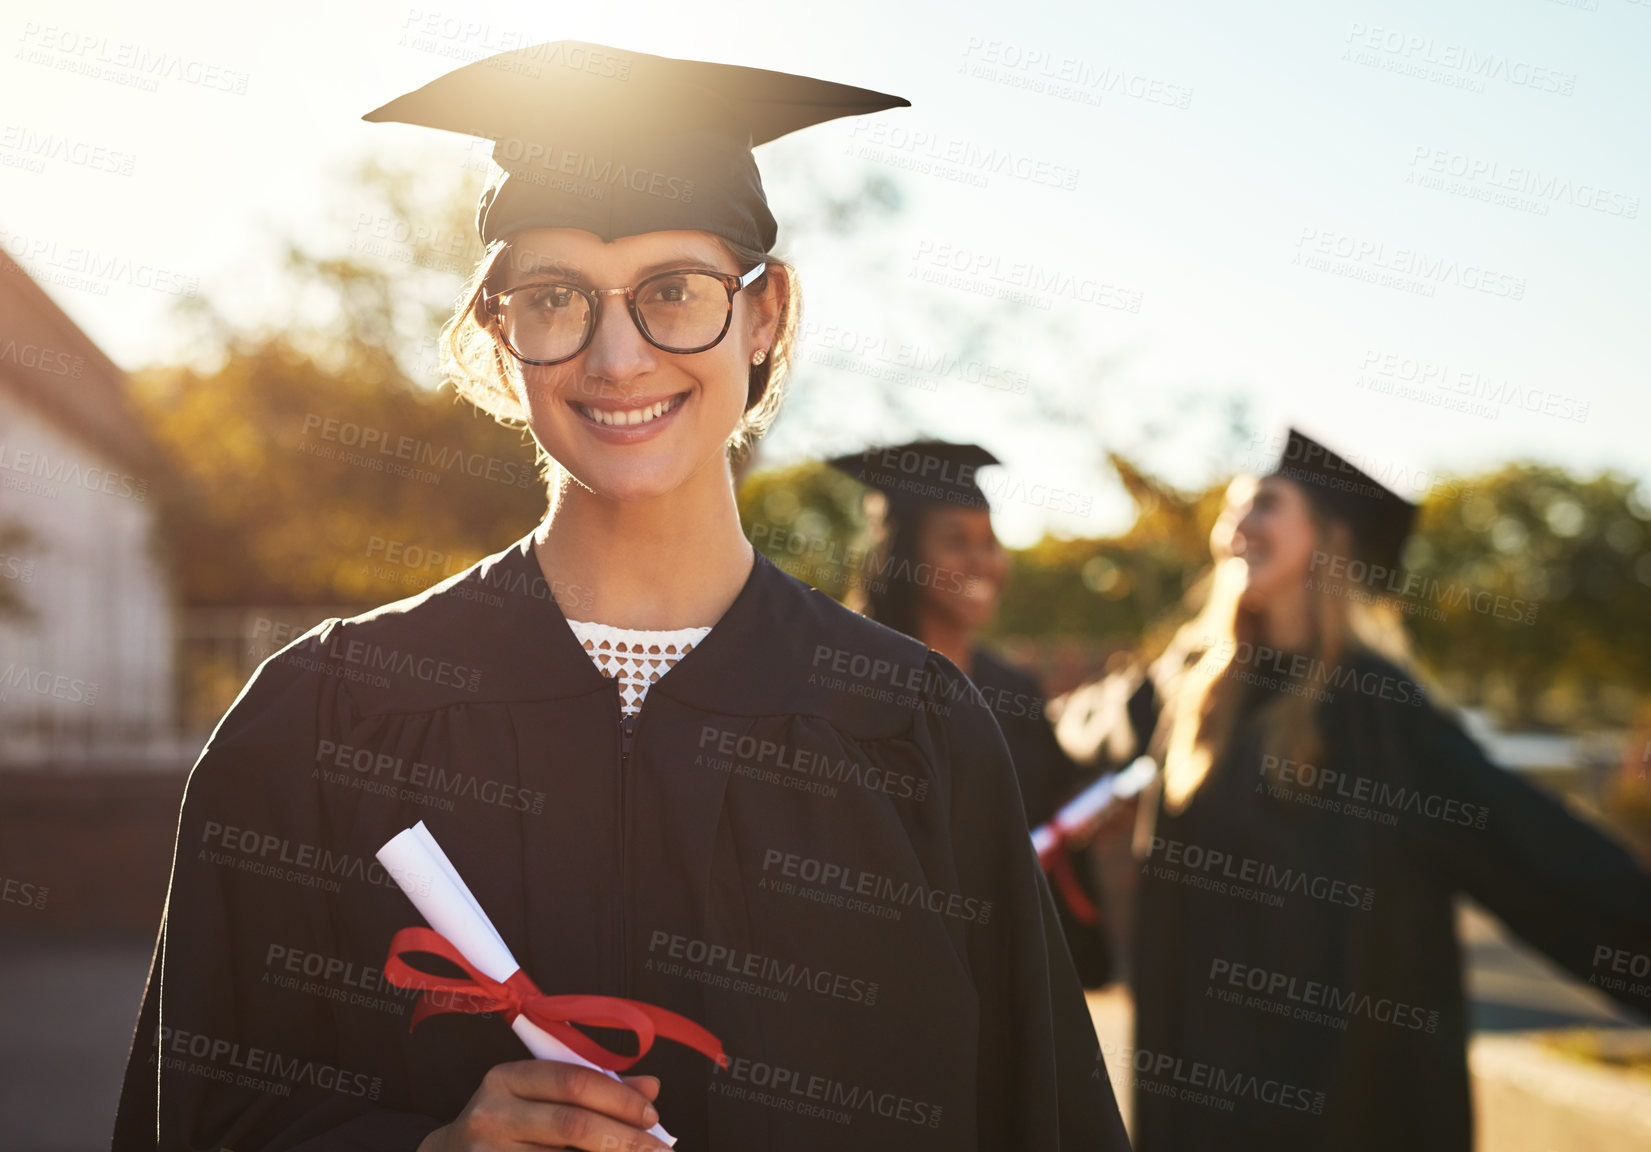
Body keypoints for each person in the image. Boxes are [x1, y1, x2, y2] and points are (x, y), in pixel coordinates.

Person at [112, 43, 1128, 1152]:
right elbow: (199, 1123)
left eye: (673, 293)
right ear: (500, 332)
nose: (617, 355)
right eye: (554, 298)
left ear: (764, 314)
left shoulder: (914, 732)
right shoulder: (323, 718)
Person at [1124, 428, 1651, 1151]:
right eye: (1233, 511)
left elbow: (1515, 836)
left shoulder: (1374, 706)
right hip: (1206, 1081)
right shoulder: (1202, 699)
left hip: (1340, 1093)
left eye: (1265, 505)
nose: (1236, 529)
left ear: (1329, 536)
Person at [826, 440, 1114, 988]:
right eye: (958, 541)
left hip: (1007, 969)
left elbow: (1049, 813)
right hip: (888, 974)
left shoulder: (1014, 691)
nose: (983, 561)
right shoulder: (852, 687)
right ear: (903, 553)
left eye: (991, 541)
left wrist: (1091, 811)